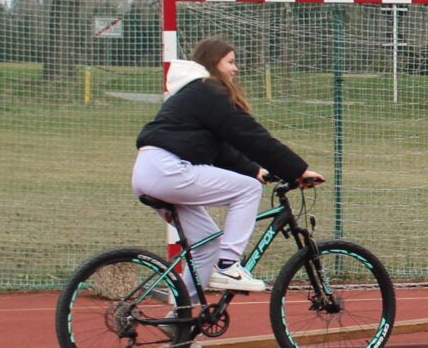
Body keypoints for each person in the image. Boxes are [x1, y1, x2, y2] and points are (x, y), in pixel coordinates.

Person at [132, 37, 322, 295]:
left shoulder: (194, 92)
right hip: (169, 170)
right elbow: (251, 136)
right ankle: (228, 265)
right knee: (248, 189)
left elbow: (221, 146)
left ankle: (180, 314)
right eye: (230, 62)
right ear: (214, 62)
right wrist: (297, 171)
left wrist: (254, 169)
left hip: (149, 170)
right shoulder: (209, 90)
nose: (235, 69)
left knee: (206, 244)